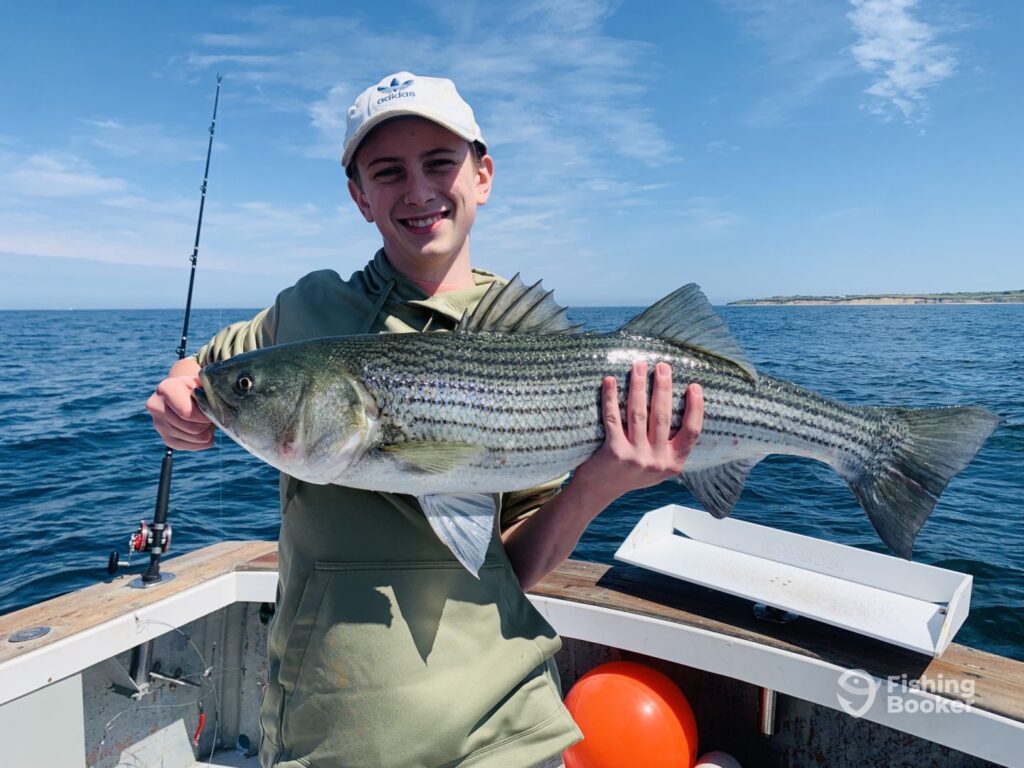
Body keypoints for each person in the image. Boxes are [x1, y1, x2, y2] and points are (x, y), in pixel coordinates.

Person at [147, 71, 704, 768]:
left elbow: (515, 562)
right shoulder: (307, 309)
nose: (418, 190)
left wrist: (598, 485)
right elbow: (203, 373)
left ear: (483, 175)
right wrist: (180, 400)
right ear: (359, 195)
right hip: (331, 733)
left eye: (440, 163)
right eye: (388, 172)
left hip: (508, 728)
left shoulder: (530, 341)